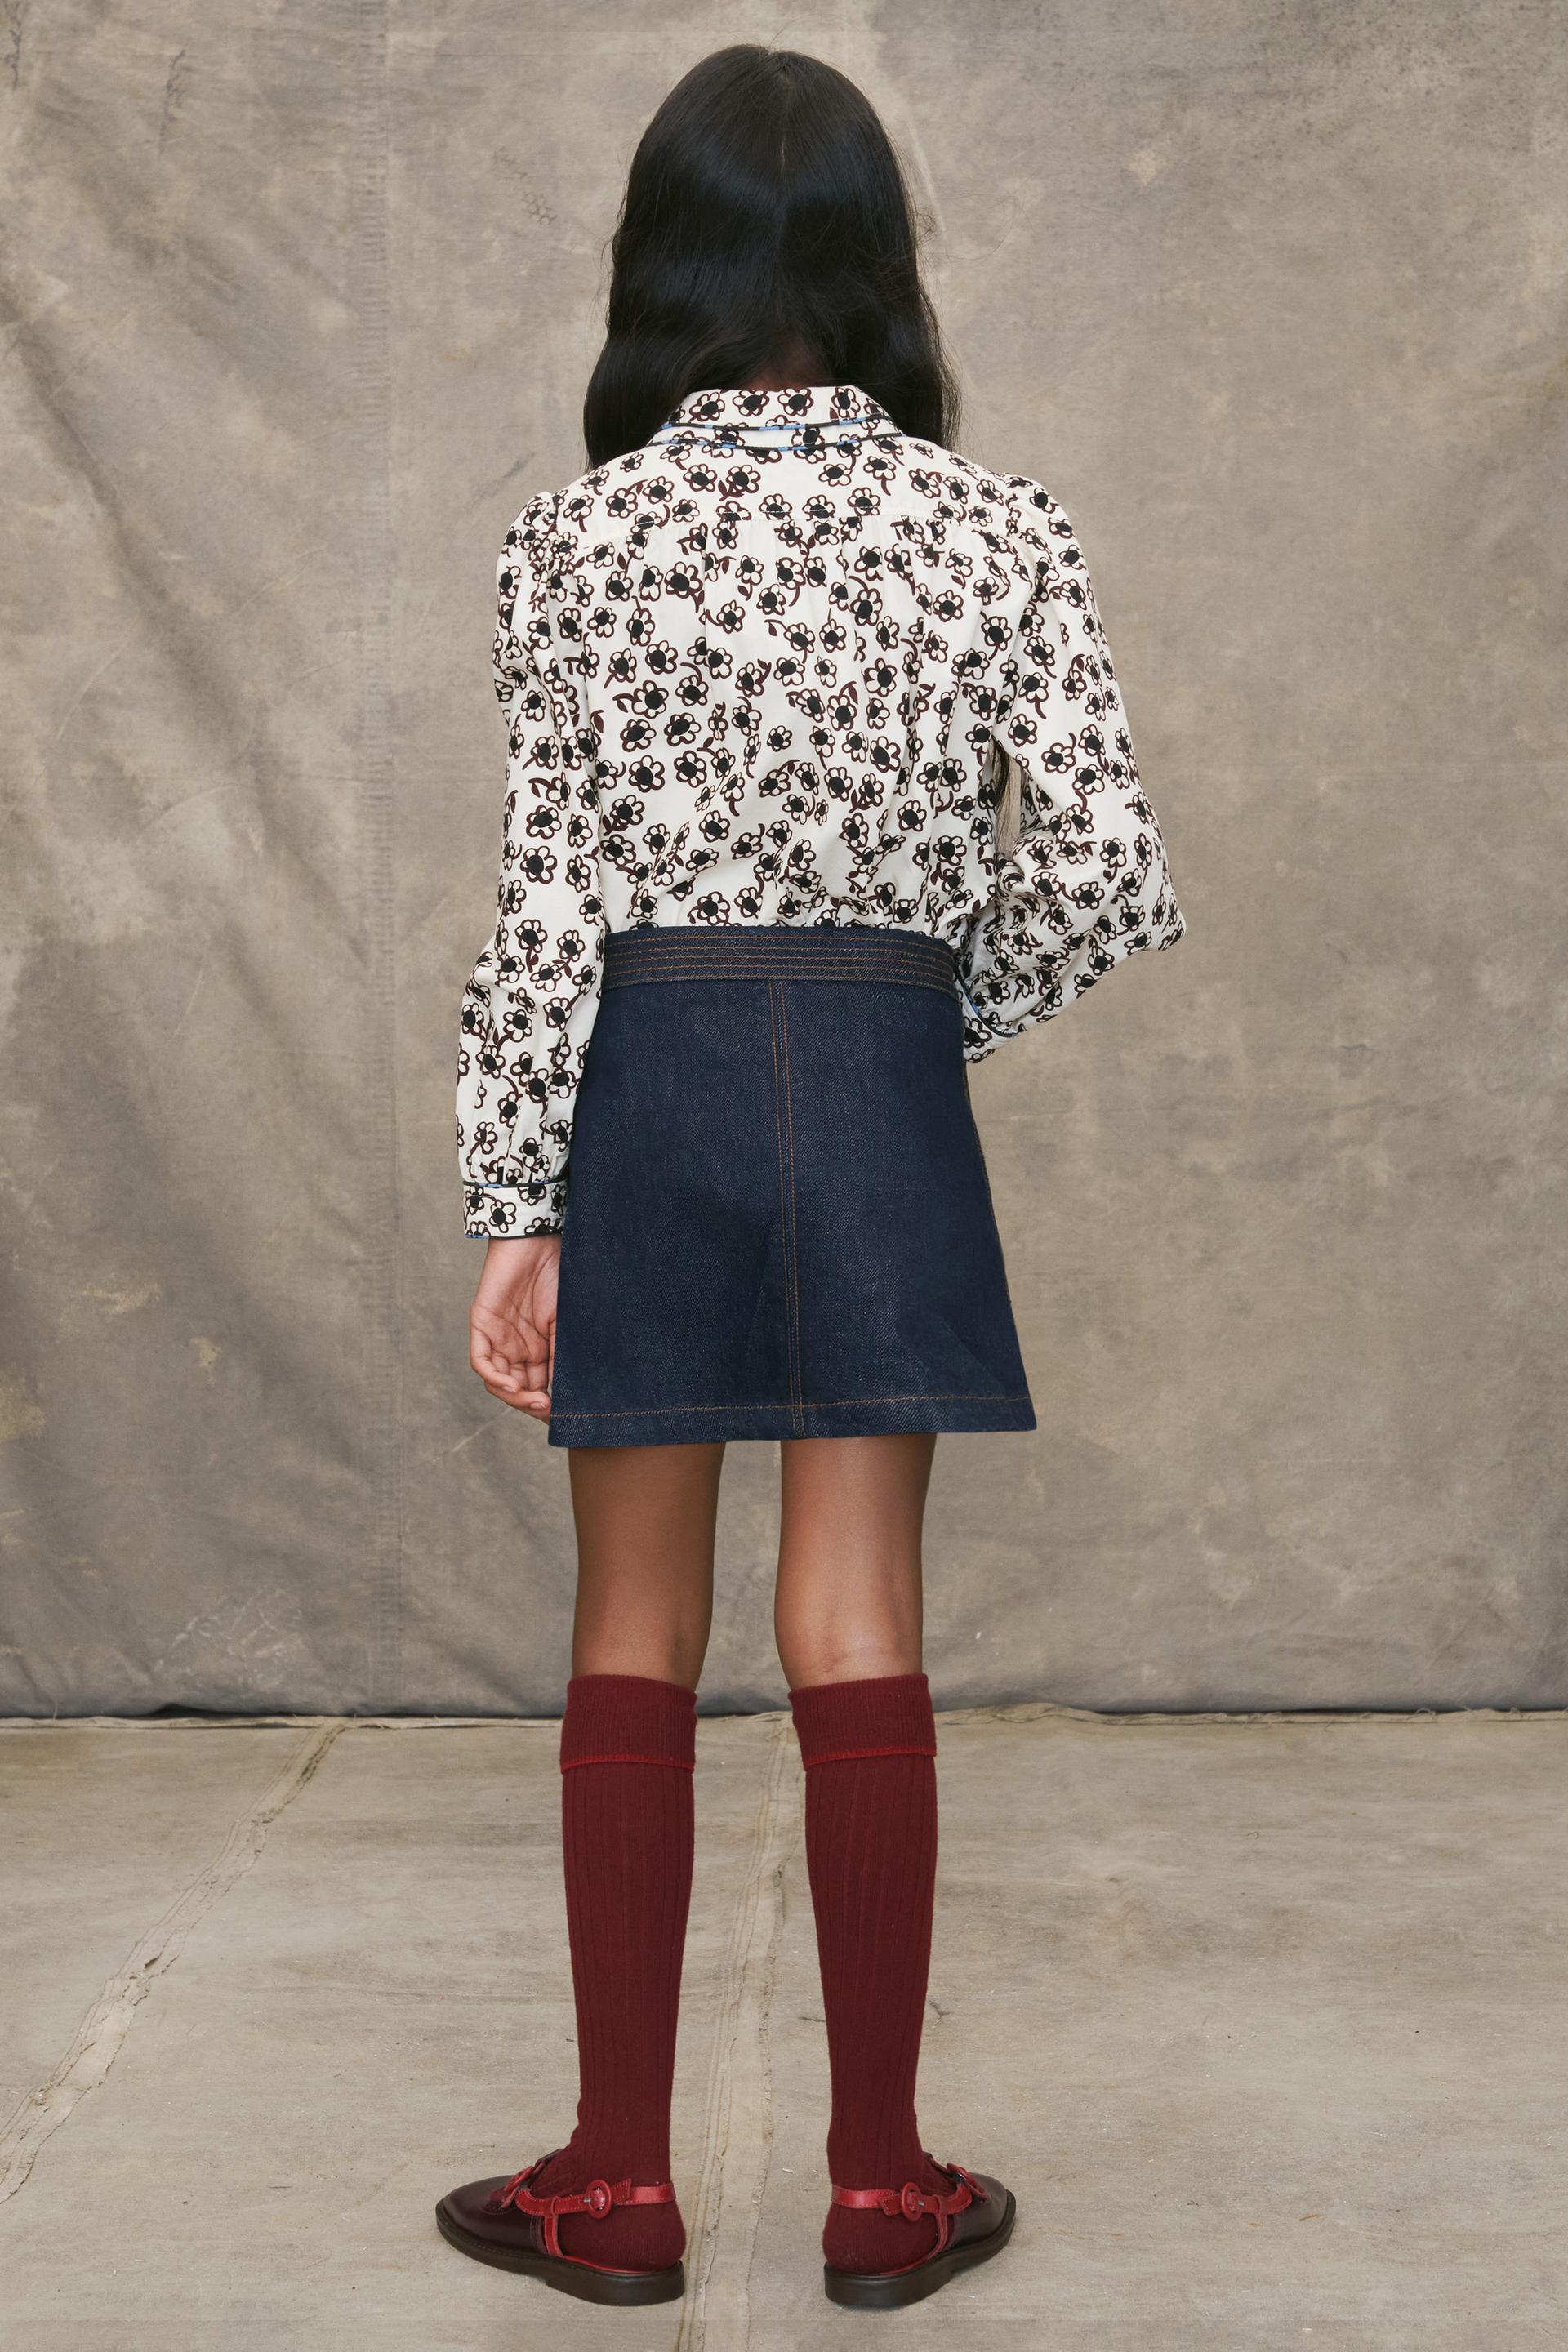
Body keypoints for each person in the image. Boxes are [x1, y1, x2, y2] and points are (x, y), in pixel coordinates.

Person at [437, 42, 1185, 2314]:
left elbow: (548, 902)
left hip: (647, 1079)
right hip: (876, 1078)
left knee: (630, 1626)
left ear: (657, 265)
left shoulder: (575, 540)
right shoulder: (1001, 526)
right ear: (878, 265)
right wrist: (914, 1025)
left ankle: (615, 2189)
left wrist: (516, 1198)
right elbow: (1112, 872)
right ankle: (880, 2190)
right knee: (857, 1619)